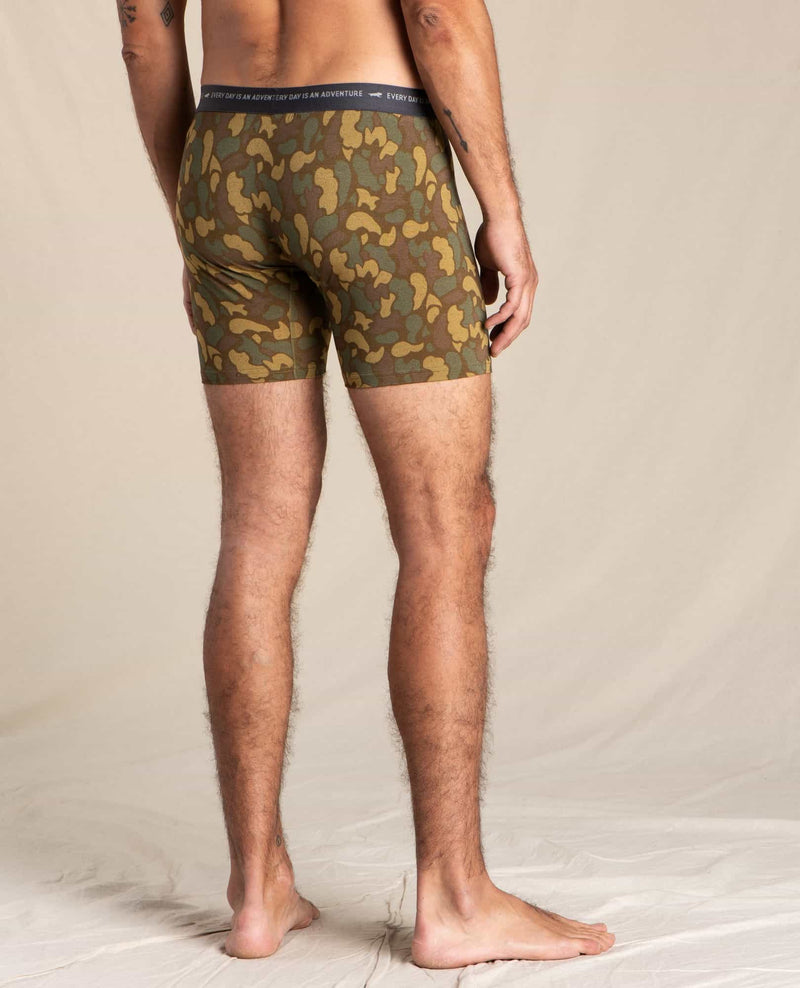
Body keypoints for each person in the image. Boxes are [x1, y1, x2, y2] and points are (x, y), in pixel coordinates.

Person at [118, 0, 615, 968]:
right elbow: (435, 13)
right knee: (444, 526)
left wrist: (196, 214)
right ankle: (454, 898)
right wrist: (503, 210)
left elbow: (143, 29)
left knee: (255, 528)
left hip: (224, 153)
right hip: (369, 152)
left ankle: (255, 887)